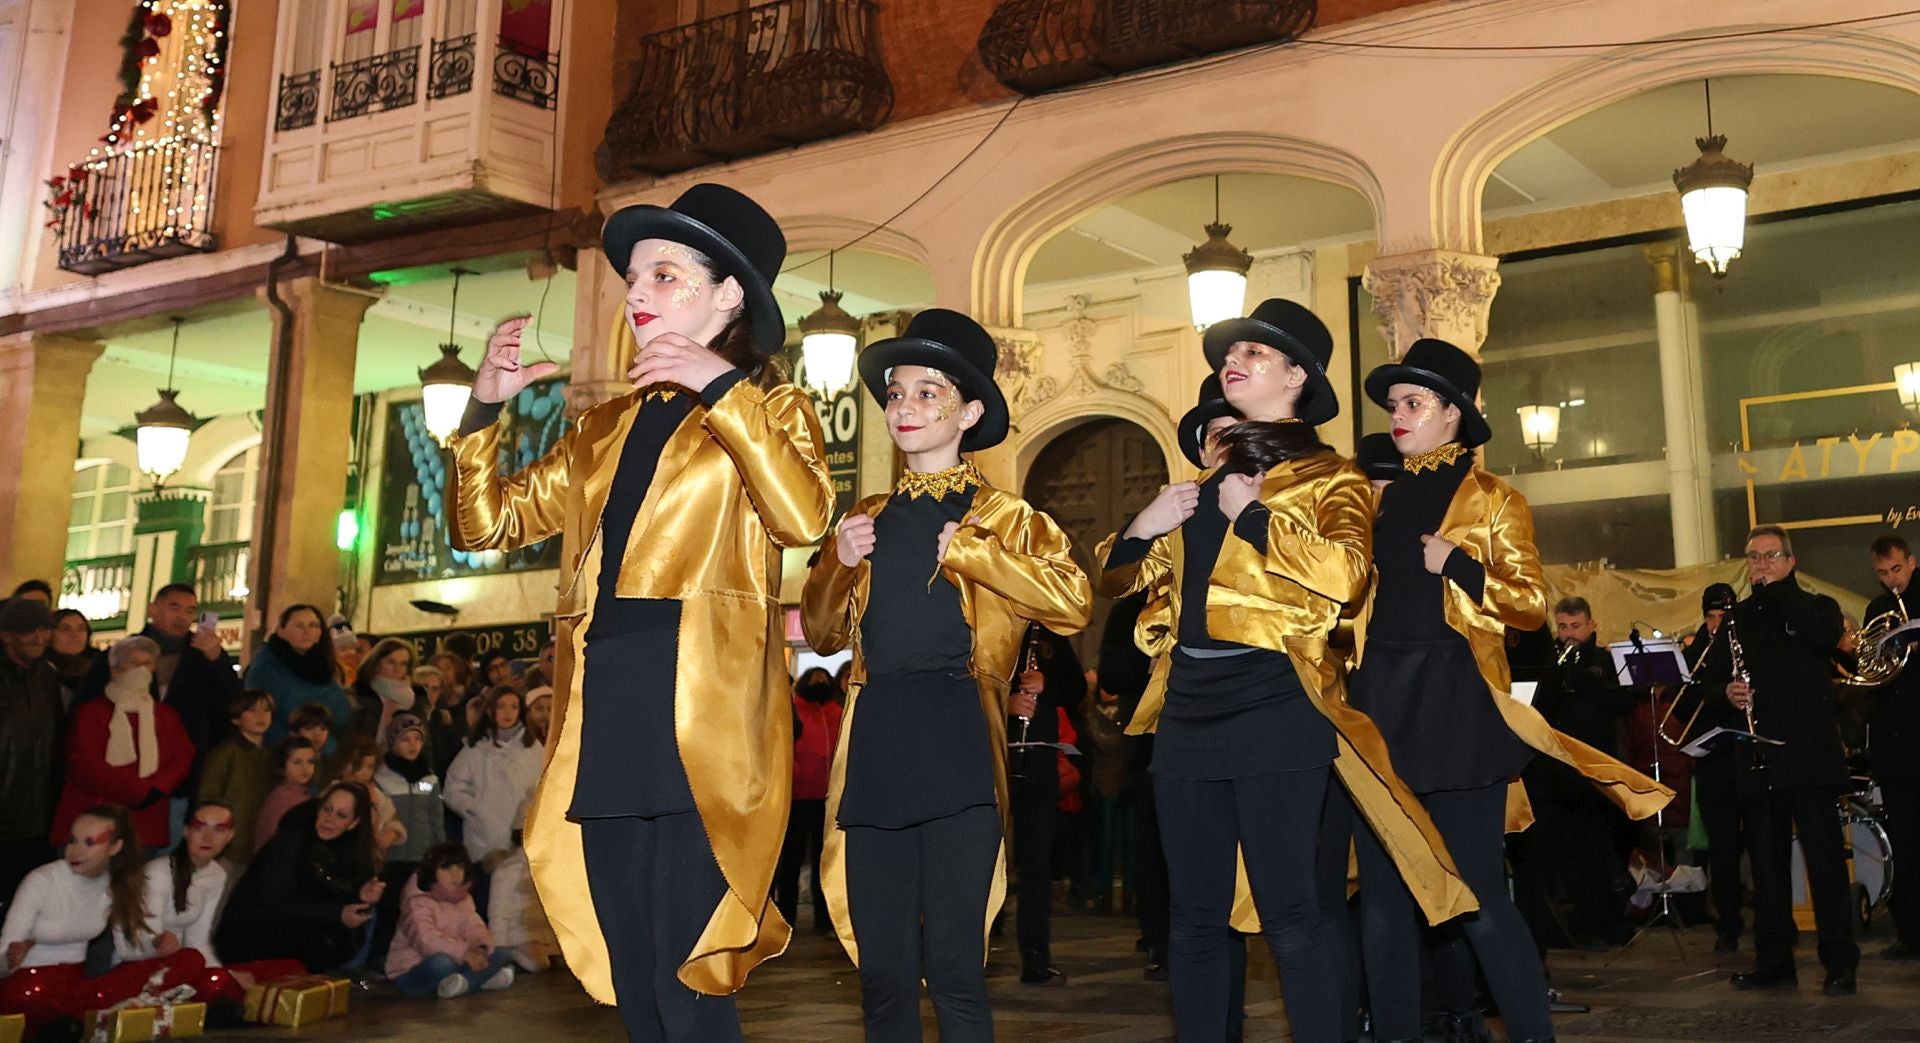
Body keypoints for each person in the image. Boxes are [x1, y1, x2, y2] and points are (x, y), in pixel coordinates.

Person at [447, 183, 832, 1039]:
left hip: (706, 716)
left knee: (690, 986)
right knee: (638, 990)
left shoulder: (769, 408)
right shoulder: (602, 427)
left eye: (665, 274)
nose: (637, 294)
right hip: (609, 708)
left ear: (729, 294)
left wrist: (722, 388)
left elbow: (805, 515)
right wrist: (485, 410)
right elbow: (487, 523)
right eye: (632, 278)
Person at [1098, 302, 1479, 1043]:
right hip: (1187, 712)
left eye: (1253, 352)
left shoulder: (1331, 476)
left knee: (1293, 910)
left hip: (1276, 703)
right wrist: (1141, 526)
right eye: (1228, 352)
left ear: (1297, 375)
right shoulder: (1199, 485)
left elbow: (1347, 577)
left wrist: (1256, 517)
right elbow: (1109, 589)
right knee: (1196, 915)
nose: (1230, 360)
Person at [1347, 338, 1670, 1043]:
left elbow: (1529, 603)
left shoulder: (1494, 499)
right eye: (1394, 404)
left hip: (1457, 702)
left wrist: (1459, 563)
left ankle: (1532, 1033)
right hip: (1378, 701)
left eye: (1412, 403)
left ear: (1454, 414)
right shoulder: (1374, 501)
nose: (1397, 414)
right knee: (1383, 900)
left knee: (1478, 894)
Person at [803, 307, 1092, 1041]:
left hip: (961, 738)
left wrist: (978, 552)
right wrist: (838, 565)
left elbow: (1072, 604)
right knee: (884, 974)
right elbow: (825, 631)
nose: (904, 407)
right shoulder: (865, 516)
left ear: (967, 411)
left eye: (926, 393)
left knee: (958, 968)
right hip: (877, 747)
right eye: (896, 393)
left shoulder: (1007, 518)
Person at [1693, 526, 1859, 994]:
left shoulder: (1816, 607)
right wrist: (1726, 692)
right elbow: (1708, 682)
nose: (1760, 565)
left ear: (1790, 561)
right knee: (1766, 869)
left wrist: (1777, 596)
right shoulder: (1735, 620)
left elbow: (1824, 638)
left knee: (1825, 864)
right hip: (1758, 756)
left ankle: (1840, 962)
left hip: (1809, 757)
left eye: (1770, 556)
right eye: (1753, 557)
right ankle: (1774, 960)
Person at [0, 806, 205, 1037]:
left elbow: (128, 952)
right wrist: (10, 958)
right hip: (30, 986)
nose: (75, 851)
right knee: (34, 997)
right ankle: (94, 1018)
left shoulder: (115, 884)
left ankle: (87, 1018)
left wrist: (156, 946)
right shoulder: (41, 881)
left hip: (78, 988)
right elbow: (4, 955)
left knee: (191, 959)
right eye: (72, 841)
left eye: (90, 843)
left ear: (115, 847)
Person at [78, 585, 243, 829]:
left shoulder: (202, 658)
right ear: (153, 609)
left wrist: (217, 659)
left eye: (190, 611)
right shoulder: (123, 653)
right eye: (174, 607)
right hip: (124, 772)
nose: (182, 617)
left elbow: (232, 703)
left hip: (181, 774)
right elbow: (90, 702)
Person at [1531, 596, 1640, 947]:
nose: (1568, 634)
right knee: (1562, 850)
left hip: (1595, 766)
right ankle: (1567, 923)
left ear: (1591, 625)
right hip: (1557, 769)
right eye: (1562, 627)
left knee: (1598, 849)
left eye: (1575, 626)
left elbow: (1619, 702)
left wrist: (1580, 674)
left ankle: (1603, 921)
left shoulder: (1605, 661)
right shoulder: (1549, 661)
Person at [116, 802, 303, 1003]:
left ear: (230, 835)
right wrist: (158, 943)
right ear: (186, 831)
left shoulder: (216, 875)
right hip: (148, 966)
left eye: (219, 829)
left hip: (188, 963)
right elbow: (134, 945)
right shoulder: (158, 873)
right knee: (209, 977)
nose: (208, 838)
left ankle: (242, 994)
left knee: (291, 968)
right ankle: (241, 997)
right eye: (199, 828)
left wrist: (224, 973)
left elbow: (198, 940)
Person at [215, 781, 385, 973]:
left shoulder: (351, 853)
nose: (329, 819)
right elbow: (275, 905)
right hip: (253, 938)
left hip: (297, 939)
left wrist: (361, 896)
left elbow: (335, 901)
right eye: (327, 809)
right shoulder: (289, 843)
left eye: (341, 815)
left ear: (353, 823)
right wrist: (337, 913)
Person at [51, 636, 194, 852]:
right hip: (95, 815)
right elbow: (84, 763)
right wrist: (138, 790)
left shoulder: (165, 715)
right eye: (134, 663)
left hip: (145, 820)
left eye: (147, 663)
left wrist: (157, 787)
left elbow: (183, 755)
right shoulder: (92, 712)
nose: (141, 670)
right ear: (115, 669)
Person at [1673, 582, 1744, 952]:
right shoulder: (1695, 651)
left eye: (1724, 616)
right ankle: (1728, 925)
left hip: (1746, 754)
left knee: (1758, 844)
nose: (1717, 624)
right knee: (1722, 847)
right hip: (1713, 758)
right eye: (1712, 617)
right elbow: (1681, 707)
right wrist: (1712, 690)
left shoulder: (1744, 644)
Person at [1864, 534, 1919, 960]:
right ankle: (1910, 931)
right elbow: (1870, 673)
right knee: (1902, 837)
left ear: (1912, 562)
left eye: (1896, 569)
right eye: (1882, 573)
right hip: (1895, 740)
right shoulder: (1876, 610)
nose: (1890, 580)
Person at [386, 843, 517, 998]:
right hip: (413, 968)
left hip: (458, 960)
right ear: (432, 872)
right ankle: (476, 981)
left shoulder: (463, 897)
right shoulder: (416, 901)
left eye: (459, 868)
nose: (455, 874)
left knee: (502, 953)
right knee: (442, 963)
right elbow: (426, 941)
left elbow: (475, 927)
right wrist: (464, 953)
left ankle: (463, 984)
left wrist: (480, 948)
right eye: (447, 868)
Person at [0, 598, 61, 906]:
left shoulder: (47, 676)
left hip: (37, 815)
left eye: (45, 629)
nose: (39, 637)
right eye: (28, 630)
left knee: (24, 904)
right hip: (5, 808)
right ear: (6, 635)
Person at [443, 687, 542, 868]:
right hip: (485, 841)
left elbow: (545, 789)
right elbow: (453, 788)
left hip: (524, 842)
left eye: (513, 707)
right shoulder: (474, 750)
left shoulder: (534, 750)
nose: (507, 712)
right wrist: (476, 808)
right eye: (501, 706)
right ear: (490, 710)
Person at [776, 669, 841, 933]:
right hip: (797, 796)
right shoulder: (793, 711)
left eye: (823, 681)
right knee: (790, 861)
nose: (819, 684)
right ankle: (786, 918)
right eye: (814, 680)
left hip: (827, 798)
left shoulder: (837, 712)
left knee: (823, 862)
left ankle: (824, 919)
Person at [249, 605, 352, 754]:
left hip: (323, 752)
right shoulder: (265, 668)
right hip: (284, 754)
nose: (307, 631)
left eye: (314, 625)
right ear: (281, 631)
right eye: (299, 626)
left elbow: (341, 714)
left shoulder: (322, 666)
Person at [196, 689, 278, 860]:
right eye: (252, 710)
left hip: (260, 839)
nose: (261, 715)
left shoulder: (273, 754)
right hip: (231, 842)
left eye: (266, 710)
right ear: (237, 718)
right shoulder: (226, 753)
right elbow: (207, 796)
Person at [333, 737, 406, 857]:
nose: (364, 772)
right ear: (343, 764)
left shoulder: (376, 795)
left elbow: (392, 819)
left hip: (369, 857)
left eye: (370, 767)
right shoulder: (333, 792)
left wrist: (391, 834)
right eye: (358, 765)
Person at [350, 638, 425, 746]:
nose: (397, 669)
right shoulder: (360, 693)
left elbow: (424, 740)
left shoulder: (416, 697)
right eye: (391, 662)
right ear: (376, 663)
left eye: (403, 664)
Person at [254, 737, 319, 854]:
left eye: (310, 762)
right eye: (297, 762)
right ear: (282, 766)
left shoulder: (302, 794)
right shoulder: (281, 798)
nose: (305, 768)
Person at [45, 609, 98, 709]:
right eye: (65, 629)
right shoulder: (41, 671)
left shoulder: (100, 669)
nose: (75, 634)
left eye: (81, 629)